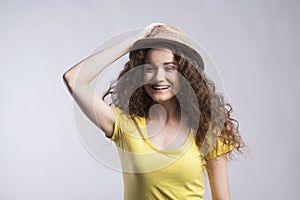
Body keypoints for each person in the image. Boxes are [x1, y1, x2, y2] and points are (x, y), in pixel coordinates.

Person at [63, 23, 245, 200]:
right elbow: (73, 79)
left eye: (169, 68)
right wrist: (132, 42)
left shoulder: (208, 128)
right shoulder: (125, 125)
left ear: (185, 73)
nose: (159, 77)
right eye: (150, 68)